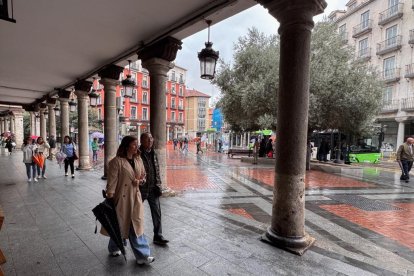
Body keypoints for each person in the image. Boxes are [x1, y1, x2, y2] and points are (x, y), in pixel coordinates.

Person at [105, 135, 154, 265]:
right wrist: (110, 197)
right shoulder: (116, 162)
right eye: (134, 144)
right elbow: (112, 182)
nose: (136, 146)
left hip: (136, 197)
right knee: (120, 225)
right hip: (121, 198)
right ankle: (115, 247)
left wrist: (140, 181)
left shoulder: (138, 159)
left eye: (136, 144)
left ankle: (142, 255)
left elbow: (143, 175)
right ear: (126, 146)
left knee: (135, 224)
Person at [139, 132, 169, 245]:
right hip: (141, 189)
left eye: (151, 138)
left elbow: (157, 170)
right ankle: (130, 236)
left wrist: (159, 185)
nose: (150, 141)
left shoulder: (153, 152)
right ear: (142, 141)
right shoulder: (137, 153)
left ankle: (158, 235)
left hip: (153, 188)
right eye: (147, 139)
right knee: (135, 213)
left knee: (157, 213)